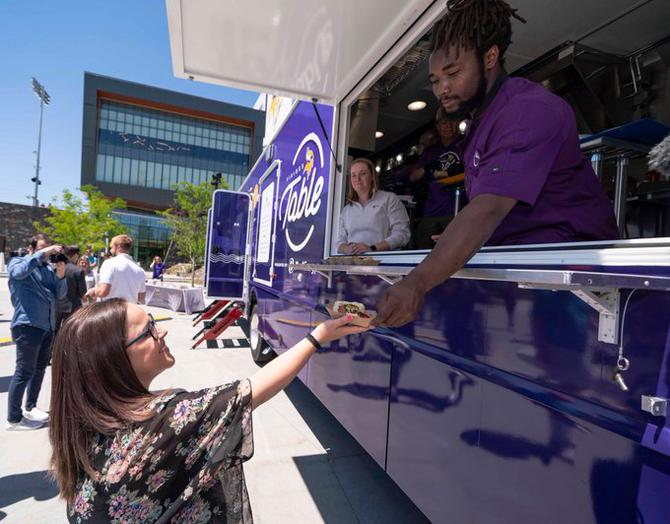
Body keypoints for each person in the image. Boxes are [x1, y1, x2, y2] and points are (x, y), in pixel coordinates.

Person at [374, 0, 619, 328]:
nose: (442, 89)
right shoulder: (481, 121)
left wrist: (417, 282)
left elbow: (488, 209)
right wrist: (454, 238)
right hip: (527, 276)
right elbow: (499, 211)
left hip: (575, 285)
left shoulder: (527, 110)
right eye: (434, 80)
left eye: (453, 73)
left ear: (489, 58)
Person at [49, 299, 366, 522]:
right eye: (148, 331)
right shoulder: (164, 422)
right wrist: (320, 335)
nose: (162, 332)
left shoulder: (89, 424)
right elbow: (252, 389)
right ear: (113, 359)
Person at [6, 234, 67, 431]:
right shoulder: (17, 262)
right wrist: (43, 253)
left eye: (49, 248)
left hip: (47, 327)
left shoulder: (46, 269)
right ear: (32, 248)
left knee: (39, 369)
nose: (47, 253)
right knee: (24, 371)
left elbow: (60, 294)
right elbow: (19, 273)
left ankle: (30, 407)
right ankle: (14, 419)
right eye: (42, 248)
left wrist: (60, 275)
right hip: (27, 325)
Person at [410, 110, 466, 248]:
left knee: (455, 250)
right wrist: (427, 168)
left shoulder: (465, 143)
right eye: (444, 122)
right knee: (423, 252)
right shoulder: (431, 151)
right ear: (438, 126)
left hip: (459, 208)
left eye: (453, 121)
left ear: (458, 123)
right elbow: (413, 176)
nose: (449, 126)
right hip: (432, 210)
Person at [336, 158, 411, 254]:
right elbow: (340, 241)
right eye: (353, 175)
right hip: (353, 263)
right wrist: (346, 248)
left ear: (372, 176)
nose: (357, 179)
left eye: (362, 174)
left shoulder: (389, 199)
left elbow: (402, 234)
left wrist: (372, 248)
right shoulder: (346, 210)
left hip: (382, 261)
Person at [86, 234, 146, 304]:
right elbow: (141, 297)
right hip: (129, 311)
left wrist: (93, 292)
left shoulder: (109, 263)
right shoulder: (140, 270)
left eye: (111, 247)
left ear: (118, 247)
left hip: (112, 310)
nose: (110, 250)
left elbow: (103, 291)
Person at [55, 245, 87, 333]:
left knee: (54, 332)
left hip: (56, 305)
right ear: (75, 255)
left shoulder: (55, 268)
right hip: (73, 306)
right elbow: (82, 292)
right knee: (70, 332)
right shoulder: (78, 271)